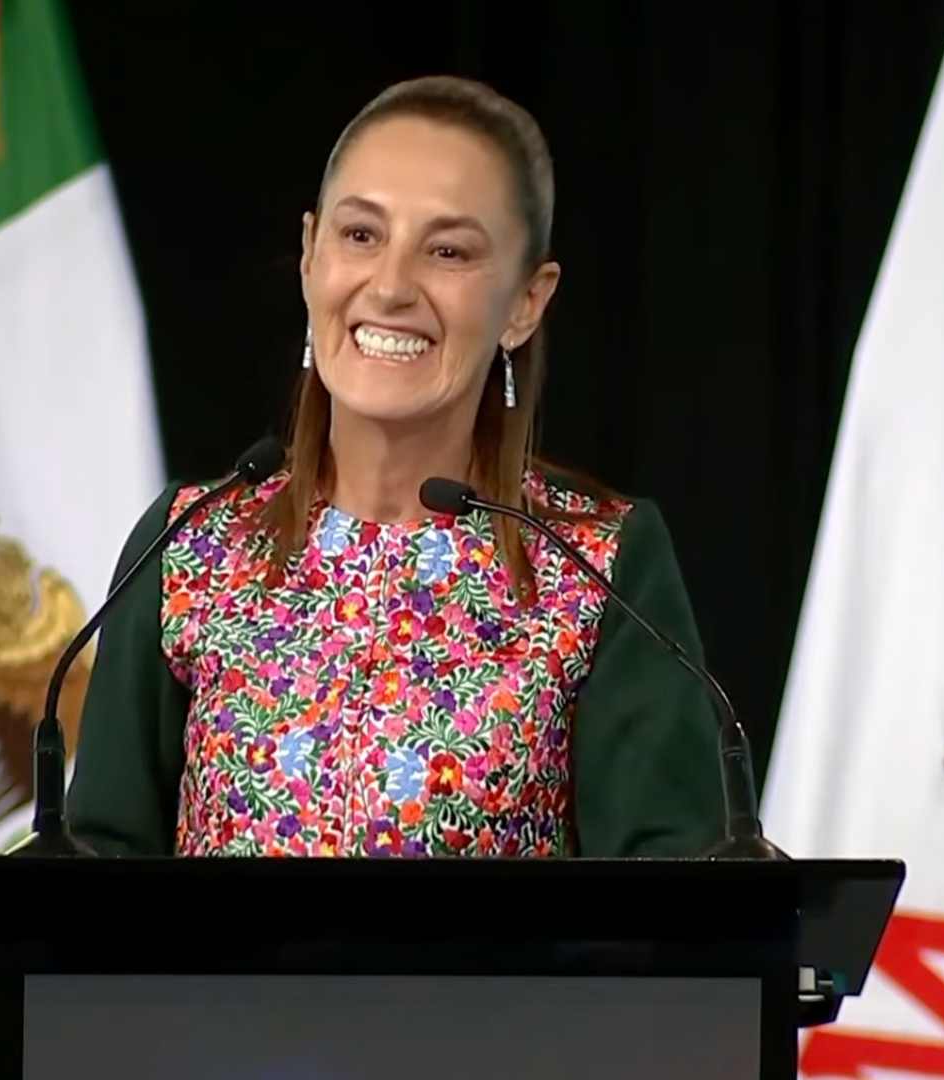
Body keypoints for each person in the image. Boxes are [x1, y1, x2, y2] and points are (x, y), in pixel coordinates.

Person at [65, 75, 722, 859]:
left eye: (448, 251)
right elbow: (96, 875)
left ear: (526, 302)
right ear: (310, 257)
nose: (390, 286)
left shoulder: (601, 567)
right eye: (361, 235)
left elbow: (675, 901)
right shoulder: (190, 545)